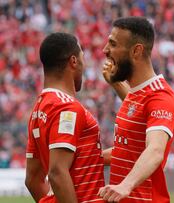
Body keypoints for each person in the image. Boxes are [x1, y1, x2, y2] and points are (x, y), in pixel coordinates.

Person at [98, 17, 174, 203]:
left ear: (136, 51)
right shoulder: (136, 94)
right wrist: (87, 158)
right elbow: (127, 151)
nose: (105, 50)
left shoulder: (160, 96)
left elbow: (155, 149)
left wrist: (126, 185)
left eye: (113, 43)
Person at [25, 32, 105, 203]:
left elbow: (33, 179)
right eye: (83, 59)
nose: (84, 66)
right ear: (73, 61)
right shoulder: (67, 107)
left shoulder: (39, 109)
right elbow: (57, 172)